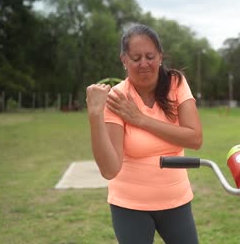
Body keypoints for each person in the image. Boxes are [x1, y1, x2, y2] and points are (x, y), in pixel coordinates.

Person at [86, 24, 202, 244]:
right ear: (124, 60)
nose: (144, 64)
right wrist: (94, 115)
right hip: (130, 205)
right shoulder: (117, 97)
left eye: (150, 56)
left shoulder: (176, 84)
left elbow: (194, 138)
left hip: (176, 201)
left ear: (160, 56)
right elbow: (110, 170)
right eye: (136, 57)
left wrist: (140, 120)